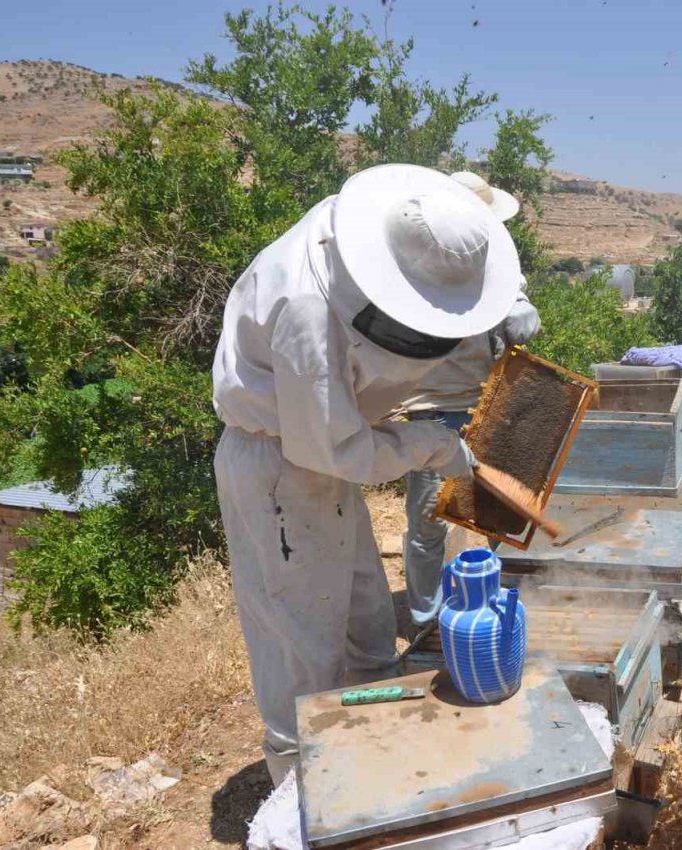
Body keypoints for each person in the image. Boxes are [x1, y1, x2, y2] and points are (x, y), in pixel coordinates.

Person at [211, 164, 527, 785]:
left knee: (363, 617)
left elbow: (337, 440)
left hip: (317, 457)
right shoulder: (305, 306)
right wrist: (431, 446)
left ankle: (374, 752)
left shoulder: (372, 233)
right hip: (281, 472)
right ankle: (306, 788)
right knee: (304, 645)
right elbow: (332, 449)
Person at [399, 172, 540, 644]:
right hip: (435, 412)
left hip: (486, 406)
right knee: (431, 524)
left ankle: (506, 609)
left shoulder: (496, 264)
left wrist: (510, 300)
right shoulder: (411, 264)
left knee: (502, 514)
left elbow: (521, 322)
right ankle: (430, 625)